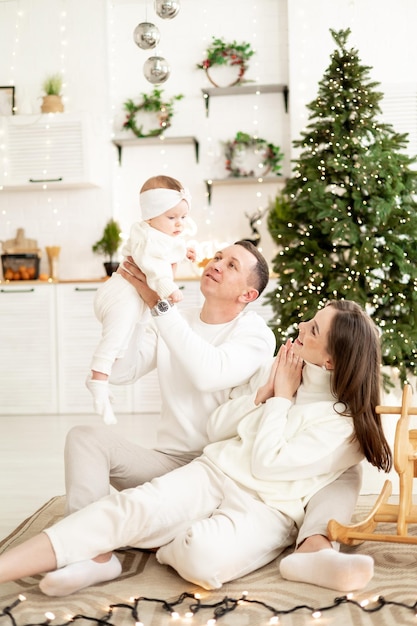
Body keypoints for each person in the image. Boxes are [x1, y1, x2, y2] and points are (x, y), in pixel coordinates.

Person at [0, 300, 392, 597]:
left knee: (202, 558)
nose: (301, 327)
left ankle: (294, 557)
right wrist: (263, 394)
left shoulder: (344, 425)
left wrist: (281, 400)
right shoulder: (282, 371)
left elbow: (267, 463)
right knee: (125, 509)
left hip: (269, 508)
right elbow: (216, 428)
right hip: (211, 471)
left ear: (330, 359)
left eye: (313, 329)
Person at [65, 238, 276, 514]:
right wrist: (138, 309)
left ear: (248, 295)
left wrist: (158, 305)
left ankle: (152, 519)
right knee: (83, 438)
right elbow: (121, 372)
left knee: (152, 518)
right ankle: (88, 542)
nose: (217, 265)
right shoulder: (175, 319)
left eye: (231, 265)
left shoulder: (256, 334)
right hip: (169, 464)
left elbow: (208, 373)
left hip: (217, 472)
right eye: (217, 257)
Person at [87, 174, 196, 425]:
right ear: (150, 215)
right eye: (171, 217)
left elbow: (169, 248)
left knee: (122, 343)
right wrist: (169, 289)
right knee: (115, 338)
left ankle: (98, 376)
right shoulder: (147, 237)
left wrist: (183, 250)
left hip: (131, 296)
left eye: (183, 217)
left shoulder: (159, 234)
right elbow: (154, 266)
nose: (179, 224)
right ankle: (97, 380)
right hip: (121, 294)